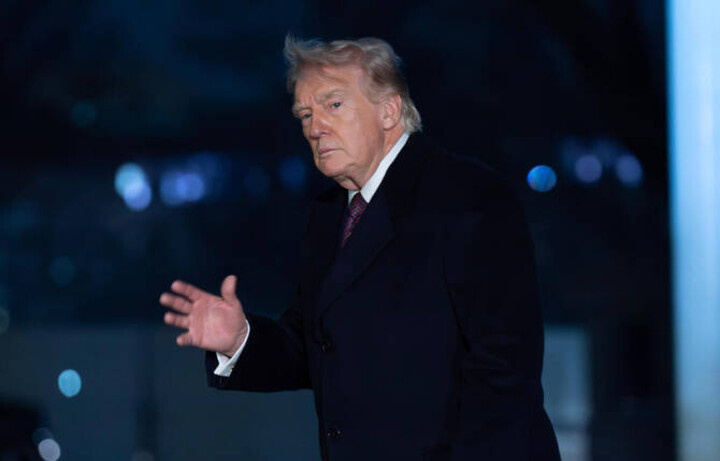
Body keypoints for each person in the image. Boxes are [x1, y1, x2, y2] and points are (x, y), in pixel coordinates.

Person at [160, 36, 560, 461]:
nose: (315, 128)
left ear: (388, 110)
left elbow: (504, 375)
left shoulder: (469, 197)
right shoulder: (330, 213)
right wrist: (241, 340)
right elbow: (317, 347)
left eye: (333, 105)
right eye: (305, 114)